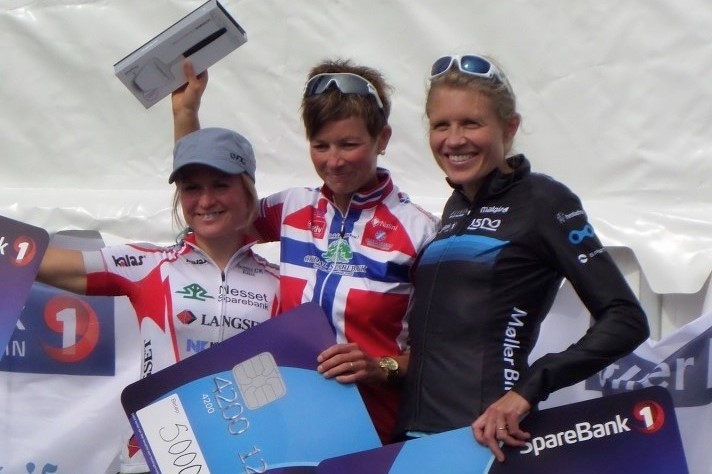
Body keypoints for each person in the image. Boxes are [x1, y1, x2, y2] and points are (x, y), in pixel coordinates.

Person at [394, 54, 650, 462]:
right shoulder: (455, 206)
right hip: (414, 439)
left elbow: (626, 318)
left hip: (485, 440)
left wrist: (529, 388)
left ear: (509, 127)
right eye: (442, 125)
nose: (454, 140)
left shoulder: (545, 200)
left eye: (471, 123)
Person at [172, 58, 439, 443]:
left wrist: (383, 367)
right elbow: (210, 208)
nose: (334, 161)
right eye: (320, 145)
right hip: (288, 424)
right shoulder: (293, 207)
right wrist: (186, 115)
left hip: (374, 430)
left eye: (349, 144)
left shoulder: (420, 231)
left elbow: (444, 357)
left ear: (382, 139)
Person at [37, 127, 280, 473]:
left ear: (248, 190)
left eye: (220, 185)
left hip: (245, 460)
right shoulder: (148, 264)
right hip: (155, 460)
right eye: (191, 188)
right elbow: (40, 262)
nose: (205, 201)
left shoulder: (280, 283)